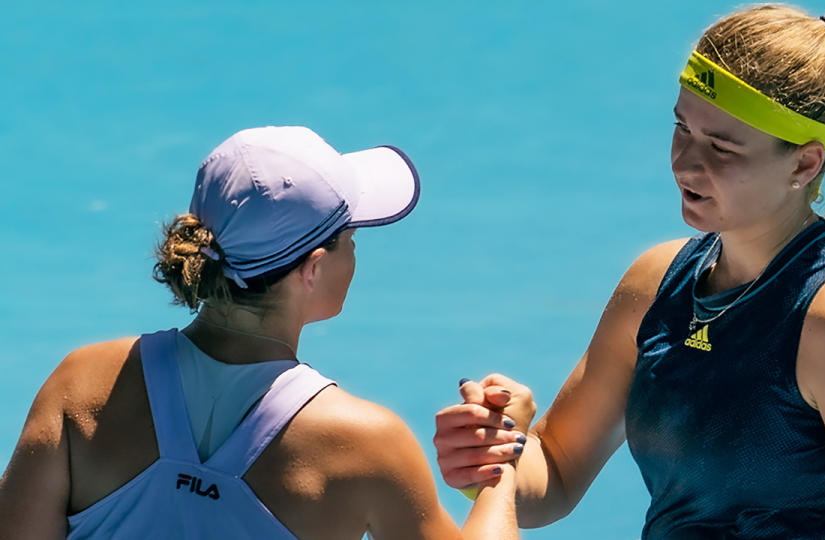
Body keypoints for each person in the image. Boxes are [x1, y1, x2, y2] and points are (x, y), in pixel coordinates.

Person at [433, 5, 825, 539]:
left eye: (722, 146)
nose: (685, 162)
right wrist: (495, 454)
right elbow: (556, 472)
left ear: (804, 164)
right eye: (682, 128)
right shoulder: (654, 283)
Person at [0, 126, 534, 539]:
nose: (357, 251)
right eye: (349, 237)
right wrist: (501, 463)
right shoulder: (367, 445)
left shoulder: (81, 383)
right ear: (312, 269)